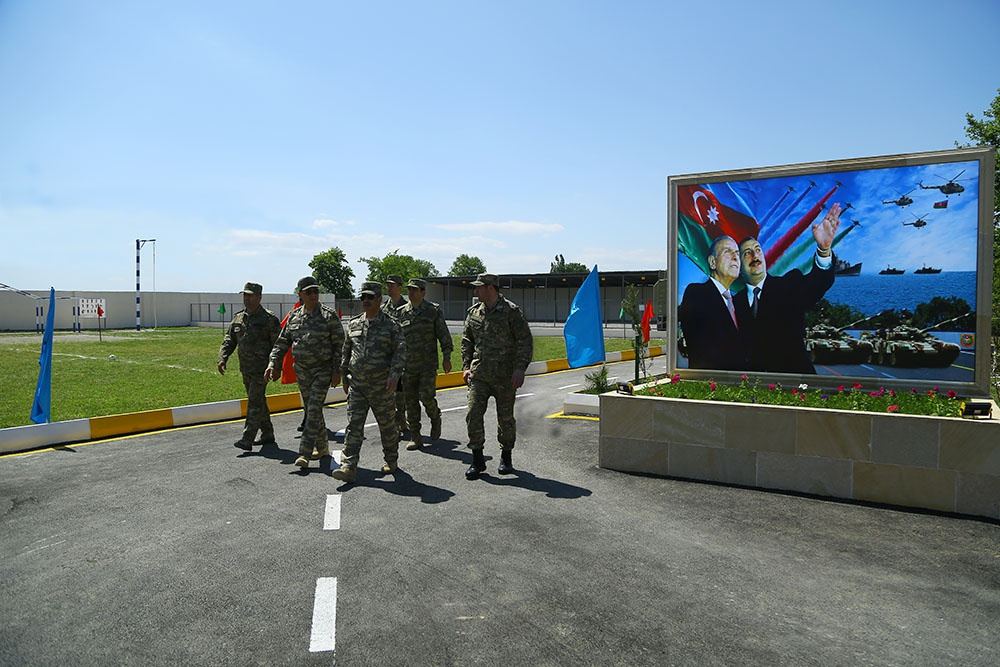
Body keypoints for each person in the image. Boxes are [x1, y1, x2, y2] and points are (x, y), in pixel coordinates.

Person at [735, 202, 842, 375]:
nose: (755, 256)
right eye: (747, 253)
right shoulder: (733, 304)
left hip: (795, 385)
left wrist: (824, 250)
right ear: (738, 265)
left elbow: (818, 282)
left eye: (758, 250)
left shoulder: (789, 286)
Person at [264, 276, 345, 468]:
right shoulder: (294, 316)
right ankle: (323, 447)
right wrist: (272, 363)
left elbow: (340, 345)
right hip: (302, 372)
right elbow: (282, 343)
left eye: (316, 291)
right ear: (300, 294)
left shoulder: (328, 315)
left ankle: (304, 453)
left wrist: (337, 370)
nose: (313, 295)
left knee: (314, 408)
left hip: (322, 370)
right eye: (309, 292)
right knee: (311, 409)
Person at [461, 273, 533, 479]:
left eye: (478, 287)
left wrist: (520, 369)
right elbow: (467, 341)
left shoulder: (511, 312)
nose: (475, 291)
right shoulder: (474, 312)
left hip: (505, 377)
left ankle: (506, 457)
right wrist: (466, 366)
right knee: (473, 414)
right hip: (479, 375)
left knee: (506, 419)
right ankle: (477, 459)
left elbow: (524, 342)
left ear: (490, 288)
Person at [334, 282, 406, 483]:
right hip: (358, 385)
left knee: (387, 426)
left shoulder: (391, 325)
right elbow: (346, 351)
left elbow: (400, 353)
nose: (365, 300)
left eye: (370, 297)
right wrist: (343, 374)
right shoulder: (354, 324)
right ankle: (348, 465)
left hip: (381, 387)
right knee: (354, 426)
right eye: (363, 297)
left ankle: (391, 460)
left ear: (379, 300)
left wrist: (394, 376)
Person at [218, 282, 281, 451]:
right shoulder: (238, 318)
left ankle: (247, 438)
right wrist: (222, 357)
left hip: (262, 370)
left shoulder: (269, 319)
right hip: (245, 368)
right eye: (245, 295)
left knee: (254, 401)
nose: (247, 298)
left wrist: (276, 367)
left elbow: (278, 346)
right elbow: (229, 340)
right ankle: (267, 433)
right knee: (259, 401)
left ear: (259, 297)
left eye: (250, 295)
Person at [396, 278, 453, 450]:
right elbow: (395, 339)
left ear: (423, 292)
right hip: (408, 366)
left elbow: (443, 334)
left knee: (426, 397)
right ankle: (416, 436)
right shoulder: (401, 312)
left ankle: (435, 417)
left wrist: (447, 356)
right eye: (409, 290)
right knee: (411, 401)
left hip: (427, 365)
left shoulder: (432, 311)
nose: (411, 293)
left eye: (414, 290)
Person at [677, 235, 746, 370]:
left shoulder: (738, 302)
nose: (735, 257)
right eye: (727, 252)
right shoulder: (697, 293)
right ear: (712, 262)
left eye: (737, 253)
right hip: (711, 382)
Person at [381, 274, 408, 436]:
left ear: (399, 287)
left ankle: (402, 420)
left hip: (405, 357)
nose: (389, 288)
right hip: (390, 358)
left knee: (402, 395)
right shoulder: (384, 308)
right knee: (391, 394)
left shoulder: (408, 307)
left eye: (392, 285)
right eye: (388, 285)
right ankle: (397, 425)